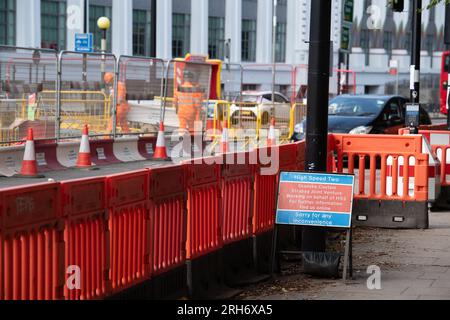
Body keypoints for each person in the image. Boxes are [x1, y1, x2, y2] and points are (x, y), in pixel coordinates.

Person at [174, 70, 204, 135]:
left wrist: (177, 110)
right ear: (191, 78)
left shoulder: (178, 89)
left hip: (181, 112)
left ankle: (181, 139)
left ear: (184, 78)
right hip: (191, 112)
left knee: (182, 127)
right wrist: (199, 112)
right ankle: (191, 140)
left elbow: (175, 102)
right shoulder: (194, 89)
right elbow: (197, 103)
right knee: (191, 128)